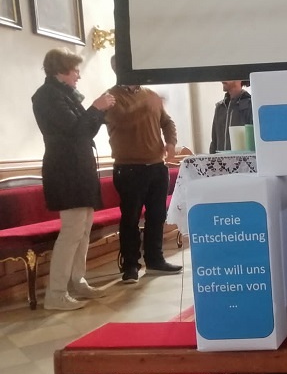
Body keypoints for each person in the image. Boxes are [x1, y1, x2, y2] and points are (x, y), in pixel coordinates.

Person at [31, 49, 116, 310]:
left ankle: (77, 281)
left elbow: (86, 131)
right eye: (75, 70)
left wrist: (98, 112)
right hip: (65, 171)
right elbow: (75, 130)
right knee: (71, 231)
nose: (78, 75)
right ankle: (56, 294)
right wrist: (96, 108)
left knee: (84, 228)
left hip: (79, 169)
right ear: (61, 69)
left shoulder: (66, 94)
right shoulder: (47, 96)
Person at [105, 55, 182, 283]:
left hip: (156, 166)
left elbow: (167, 122)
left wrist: (171, 142)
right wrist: (147, 104)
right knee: (130, 218)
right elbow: (124, 120)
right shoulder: (110, 98)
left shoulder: (150, 95)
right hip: (128, 168)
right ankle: (130, 266)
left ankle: (155, 260)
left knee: (157, 215)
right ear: (118, 69)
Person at [209, 80, 253, 153]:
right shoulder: (220, 107)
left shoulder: (250, 105)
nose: (222, 79)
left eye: (228, 75)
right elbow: (214, 143)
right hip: (221, 159)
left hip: (243, 159)